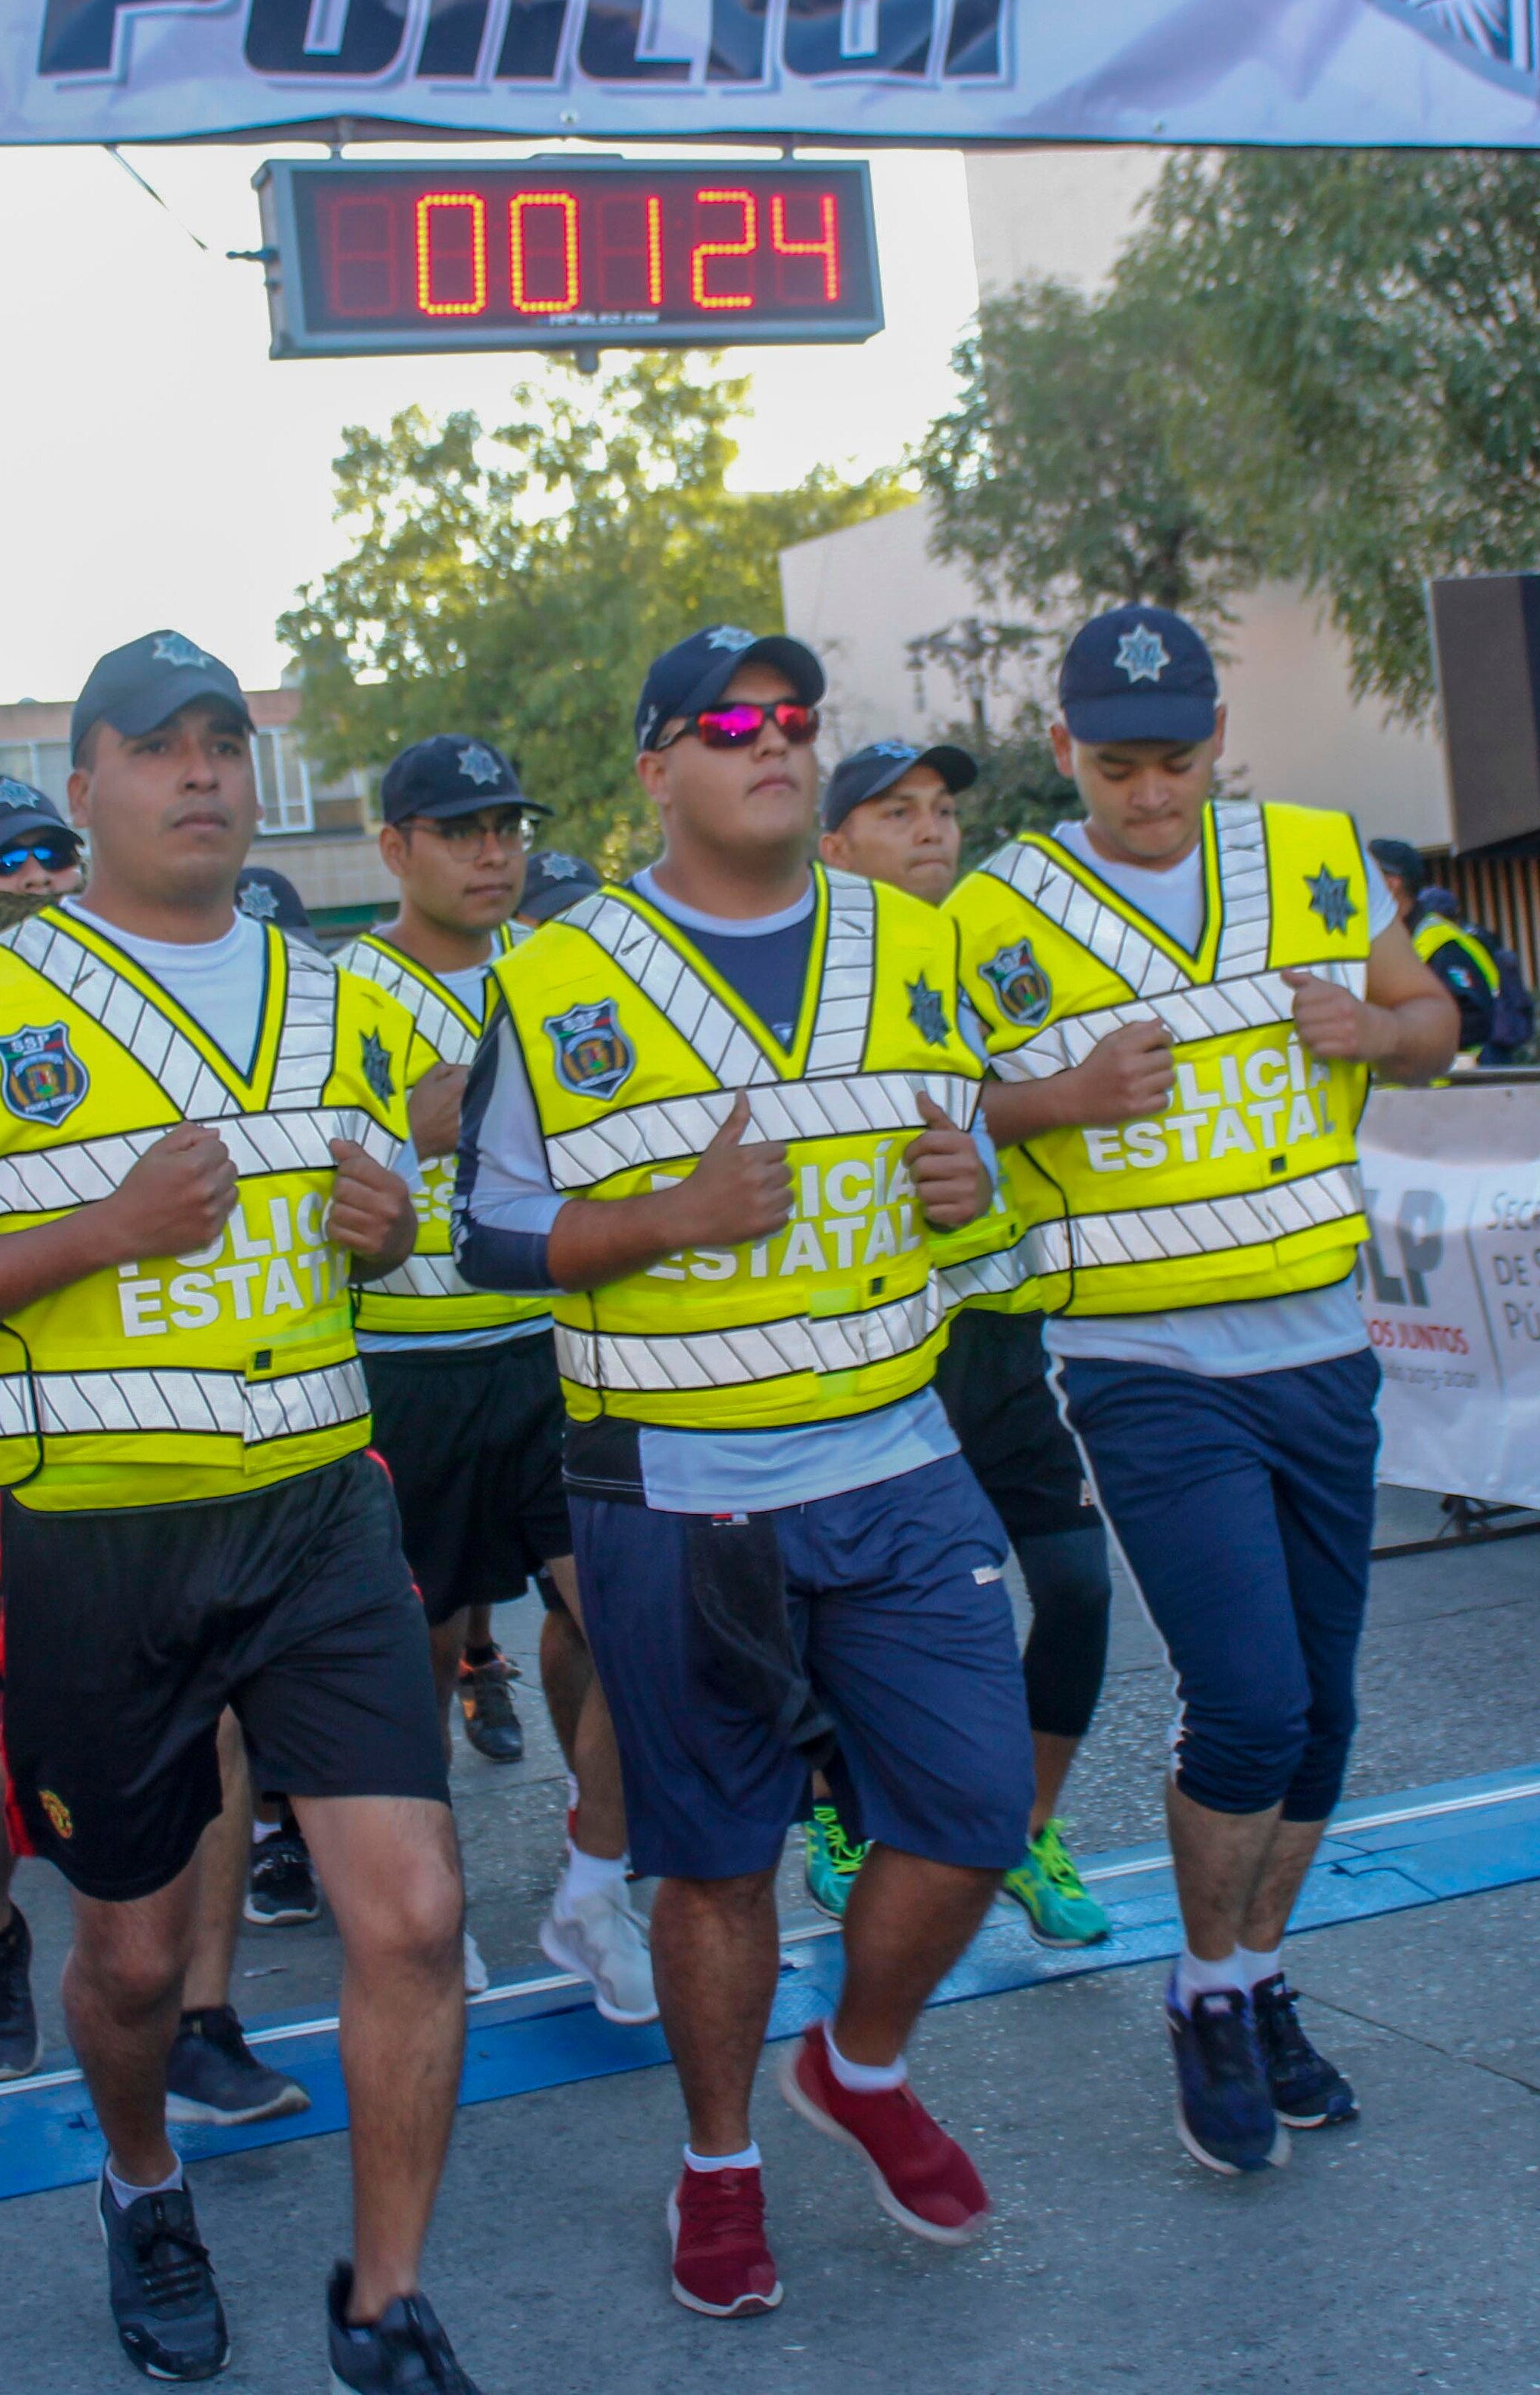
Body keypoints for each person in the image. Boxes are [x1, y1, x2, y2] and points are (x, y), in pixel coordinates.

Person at [0, 631, 479, 2393]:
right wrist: (98, 1235)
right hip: (96, 1533)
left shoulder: (339, 988)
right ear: (89, 787)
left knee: (414, 1912)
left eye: (224, 743)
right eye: (157, 748)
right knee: (129, 1962)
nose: (200, 772)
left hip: (317, 1508)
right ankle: (140, 2183)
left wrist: (390, 1229)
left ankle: (388, 2301)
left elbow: (400, 1212)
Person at [457, 626, 1022, 2323]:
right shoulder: (558, 975)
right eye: (725, 723)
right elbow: (483, 1235)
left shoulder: (912, 938)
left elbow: (970, 1151)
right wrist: (666, 1219)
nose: (768, 741)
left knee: (978, 1809)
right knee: (712, 1865)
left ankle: (856, 2059)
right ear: (656, 768)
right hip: (680, 1484)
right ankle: (719, 2161)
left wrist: (961, 1179)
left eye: (791, 719)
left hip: (901, 1454)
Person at [947, 606, 1457, 2179]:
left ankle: (1251, 1972)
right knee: (1249, 1699)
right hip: (1144, 1360)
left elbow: (1432, 1023)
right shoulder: (994, 908)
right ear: (1060, 751)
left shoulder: (1312, 855)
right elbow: (934, 1112)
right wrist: (1058, 1095)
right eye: (1115, 765)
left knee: (1324, 1707)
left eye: (1174, 760)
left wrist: (1376, 1025)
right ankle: (1205, 1989)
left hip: (1319, 1345)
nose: (1149, 794)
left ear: (1218, 739)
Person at [343, 733, 655, 2023]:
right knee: (410, 1653)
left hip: (560, 1352)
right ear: (395, 846)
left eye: (508, 827)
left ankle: (594, 1884)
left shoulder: (564, 964)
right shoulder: (336, 993)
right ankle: (430, 1908)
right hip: (407, 1367)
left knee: (633, 1624)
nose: (493, 851)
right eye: (461, 829)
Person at [818, 737, 1116, 1948]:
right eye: (897, 813)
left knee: (1080, 1589)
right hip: (875, 1348)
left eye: (942, 809)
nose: (932, 830)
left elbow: (1018, 1089)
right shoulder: (815, 977)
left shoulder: (987, 953)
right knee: (867, 1612)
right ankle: (842, 1815)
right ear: (836, 846)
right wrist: (1066, 1099)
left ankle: (1028, 1828)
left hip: (996, 1336)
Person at [1370, 840, 1523, 1070]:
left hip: (1450, 1091)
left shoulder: (1440, 944)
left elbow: (1473, 1020)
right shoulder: (1381, 939)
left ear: (1392, 884)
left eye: (1366, 876)